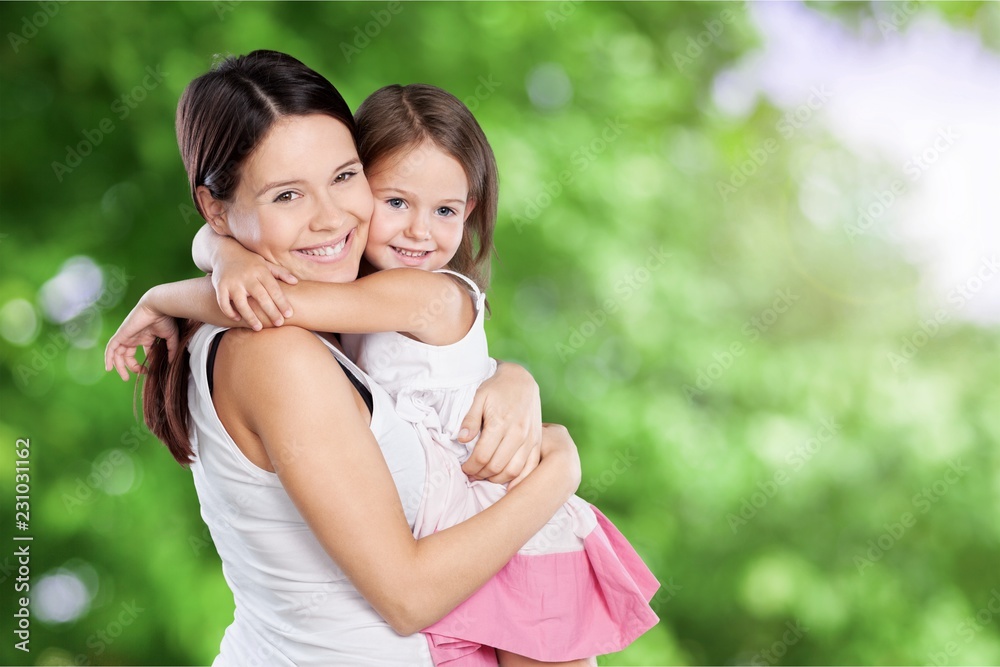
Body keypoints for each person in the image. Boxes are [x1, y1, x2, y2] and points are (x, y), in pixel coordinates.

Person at [107, 77, 660, 664]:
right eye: (287, 195)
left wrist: (189, 279)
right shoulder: (275, 351)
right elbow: (408, 597)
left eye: (343, 178)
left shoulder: (373, 308)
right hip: (500, 515)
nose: (329, 218)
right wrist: (559, 470)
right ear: (216, 206)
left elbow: (278, 301)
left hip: (490, 514)